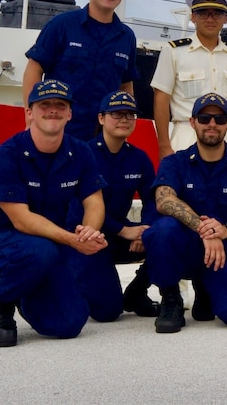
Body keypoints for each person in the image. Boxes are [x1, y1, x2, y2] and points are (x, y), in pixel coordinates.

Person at [0, 80, 108, 347]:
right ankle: (1, 306)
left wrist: (89, 231)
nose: (52, 110)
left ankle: (25, 287)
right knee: (39, 251)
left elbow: (94, 201)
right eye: (45, 104)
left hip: (48, 245)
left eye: (60, 105)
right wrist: (71, 240)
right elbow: (21, 219)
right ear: (29, 111)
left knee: (69, 324)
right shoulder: (5, 155)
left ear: (70, 113)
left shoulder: (81, 152)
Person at [142, 93, 227, 332]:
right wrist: (205, 231)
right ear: (192, 122)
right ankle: (171, 297)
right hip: (185, 245)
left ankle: (209, 287)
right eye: (204, 118)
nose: (211, 124)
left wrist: (226, 230)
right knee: (161, 230)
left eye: (219, 118)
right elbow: (164, 200)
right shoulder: (175, 162)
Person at [23, 0, 139, 140]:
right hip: (61, 129)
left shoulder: (127, 37)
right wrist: (31, 117)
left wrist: (124, 122)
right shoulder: (61, 25)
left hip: (104, 136)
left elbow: (125, 85)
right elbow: (34, 69)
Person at [70, 91, 159, 321]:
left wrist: (145, 230)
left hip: (120, 234)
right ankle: (72, 280)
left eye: (130, 115)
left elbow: (154, 200)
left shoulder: (138, 157)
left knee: (164, 236)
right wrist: (122, 230)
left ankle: (137, 292)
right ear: (101, 118)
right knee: (107, 312)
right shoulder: (84, 154)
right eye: (117, 114)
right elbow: (78, 209)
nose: (124, 120)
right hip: (87, 237)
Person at [151, 0, 227, 159]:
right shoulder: (174, 51)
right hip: (186, 137)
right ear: (193, 17)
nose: (210, 19)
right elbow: (161, 98)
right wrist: (164, 146)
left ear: (226, 18)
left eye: (217, 13)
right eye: (203, 13)